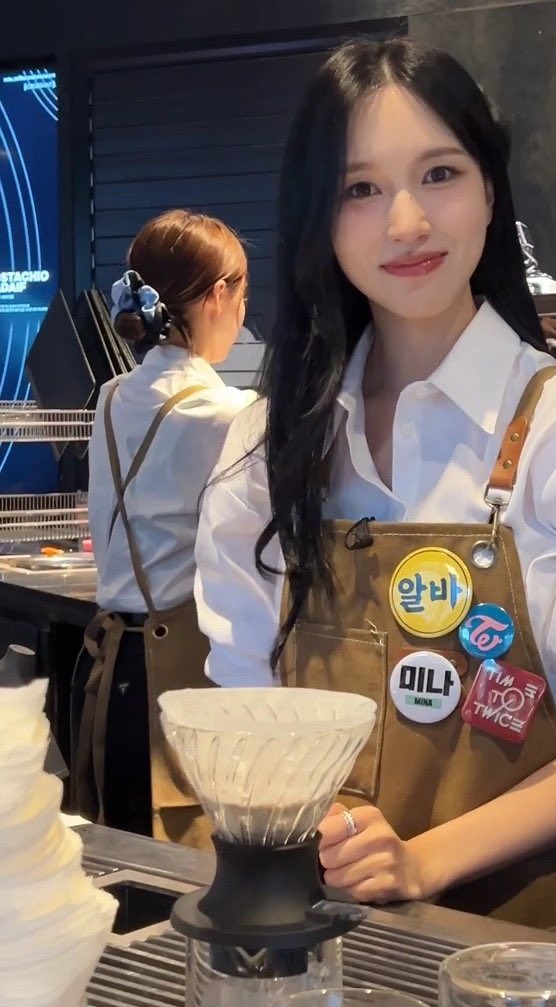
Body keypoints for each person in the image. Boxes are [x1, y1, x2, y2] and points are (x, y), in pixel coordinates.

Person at [194, 39, 556, 937]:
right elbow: (243, 694)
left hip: (523, 948)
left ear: (489, 190)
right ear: (316, 216)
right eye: (359, 188)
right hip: (312, 925)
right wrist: (311, 825)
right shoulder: (265, 447)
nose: (405, 222)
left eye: (438, 173)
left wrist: (423, 860)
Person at [71, 208, 256, 848]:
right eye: (243, 295)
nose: (243, 316)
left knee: (118, 853)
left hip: (107, 665)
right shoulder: (230, 413)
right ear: (217, 296)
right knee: (185, 861)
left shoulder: (110, 396)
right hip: (182, 671)